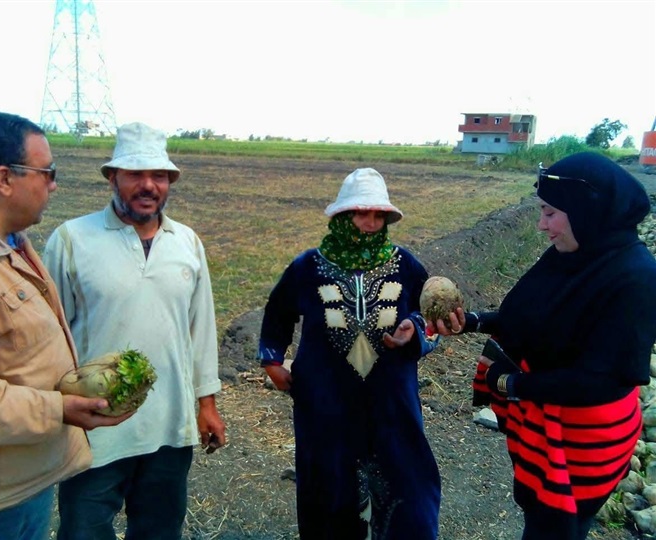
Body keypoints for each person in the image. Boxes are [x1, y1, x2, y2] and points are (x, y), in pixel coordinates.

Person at [0, 112, 130, 540]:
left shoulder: (2, 239)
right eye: (48, 172)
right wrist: (58, 408)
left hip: (13, 485)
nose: (54, 185)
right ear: (4, 179)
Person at [445, 152, 656, 540]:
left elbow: (603, 382)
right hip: (544, 426)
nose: (542, 225)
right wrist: (470, 321)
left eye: (550, 213)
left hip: (584, 446)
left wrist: (509, 383)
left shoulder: (636, 278)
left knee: (557, 527)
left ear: (586, 211)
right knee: (540, 517)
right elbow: (532, 315)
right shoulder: (573, 252)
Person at [43, 121, 227, 540]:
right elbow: (51, 335)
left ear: (169, 182)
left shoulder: (187, 242)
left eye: (159, 175)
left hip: (169, 427)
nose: (148, 185)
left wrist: (207, 404)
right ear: (113, 178)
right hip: (95, 427)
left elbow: (200, 330)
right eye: (135, 175)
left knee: (159, 531)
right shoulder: (72, 239)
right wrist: (56, 407)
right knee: (84, 531)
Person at [257, 167, 456, 540]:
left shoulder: (406, 266)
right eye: (361, 213)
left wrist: (415, 330)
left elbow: (432, 321)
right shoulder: (308, 267)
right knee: (328, 490)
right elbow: (278, 312)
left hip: (391, 404)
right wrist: (272, 360)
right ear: (343, 215)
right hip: (325, 404)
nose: (370, 222)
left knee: (407, 492)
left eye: (378, 215)